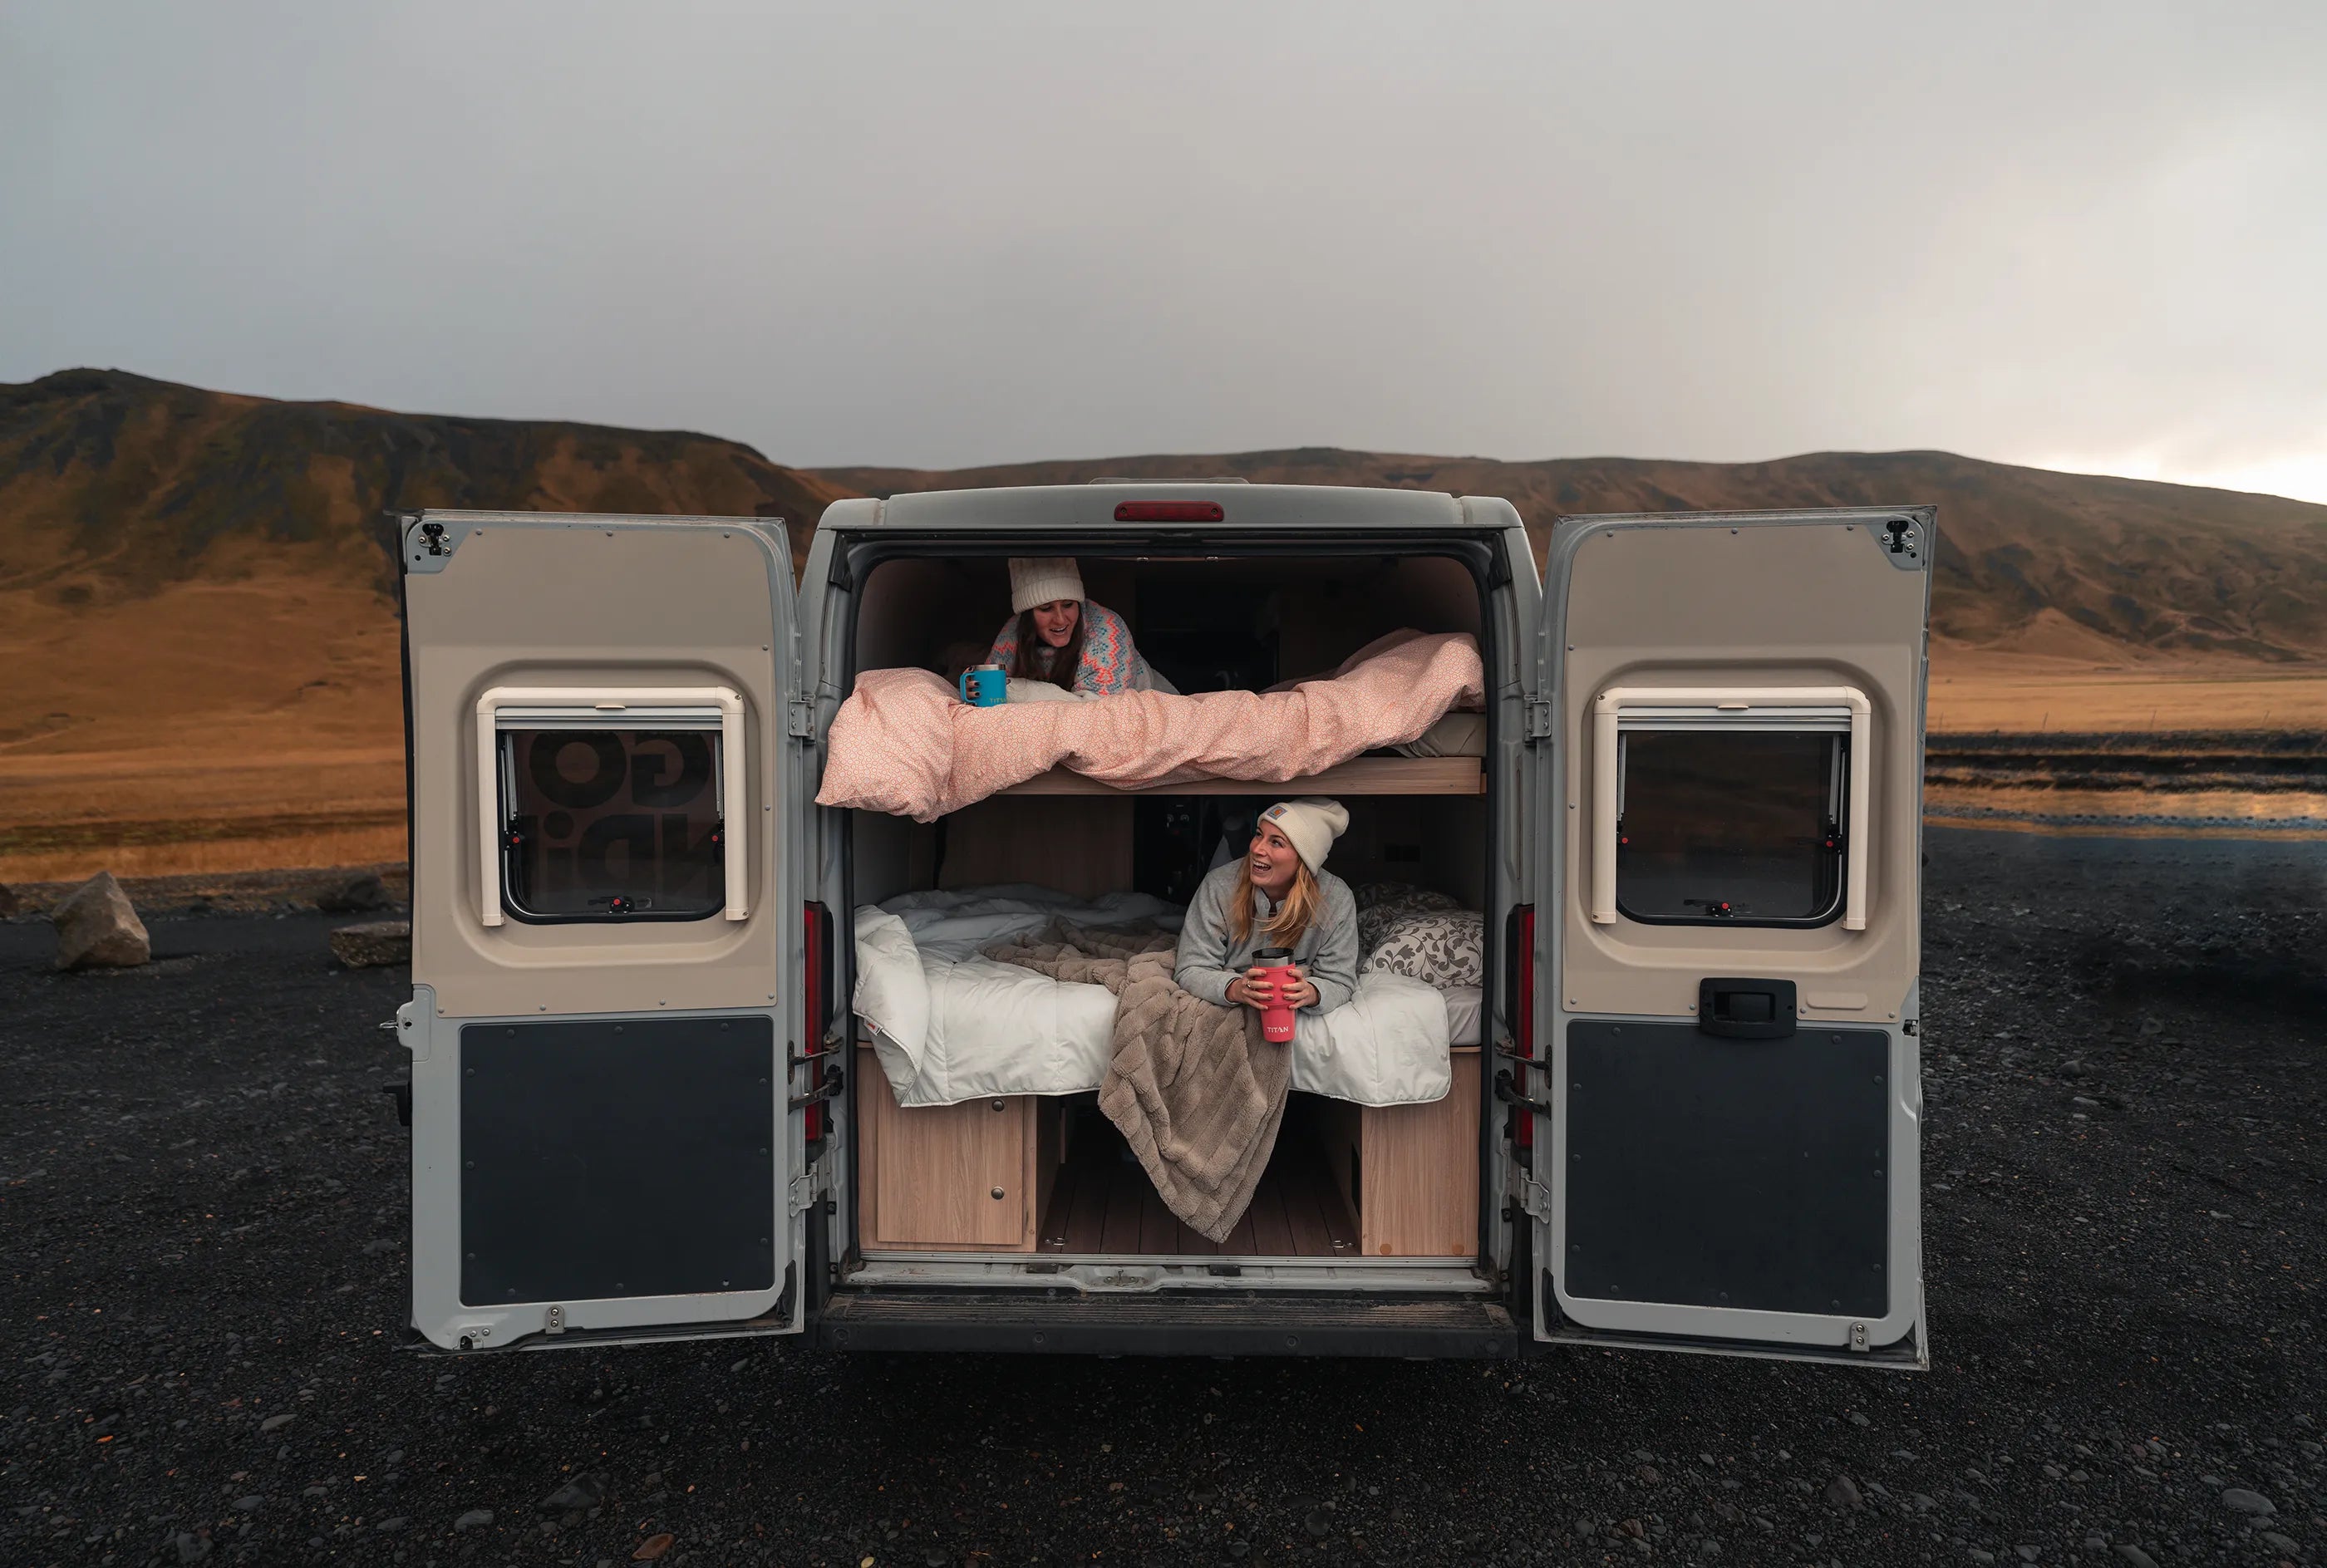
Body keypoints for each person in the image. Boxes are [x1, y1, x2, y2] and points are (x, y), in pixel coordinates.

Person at [1175, 799, 1360, 1022]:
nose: (1256, 849)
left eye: (1276, 843)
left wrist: (1312, 992)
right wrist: (1234, 988)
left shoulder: (1336, 899)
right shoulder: (1218, 885)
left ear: (1304, 859)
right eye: (1259, 834)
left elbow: (1340, 981)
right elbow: (1191, 968)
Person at [985, 558, 1164, 697]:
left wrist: (1014, 690)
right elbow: (986, 689)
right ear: (1027, 617)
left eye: (1068, 604)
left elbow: (1098, 713)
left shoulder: (1107, 633)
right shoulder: (1013, 634)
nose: (1061, 619)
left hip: (1151, 707)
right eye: (1046, 609)